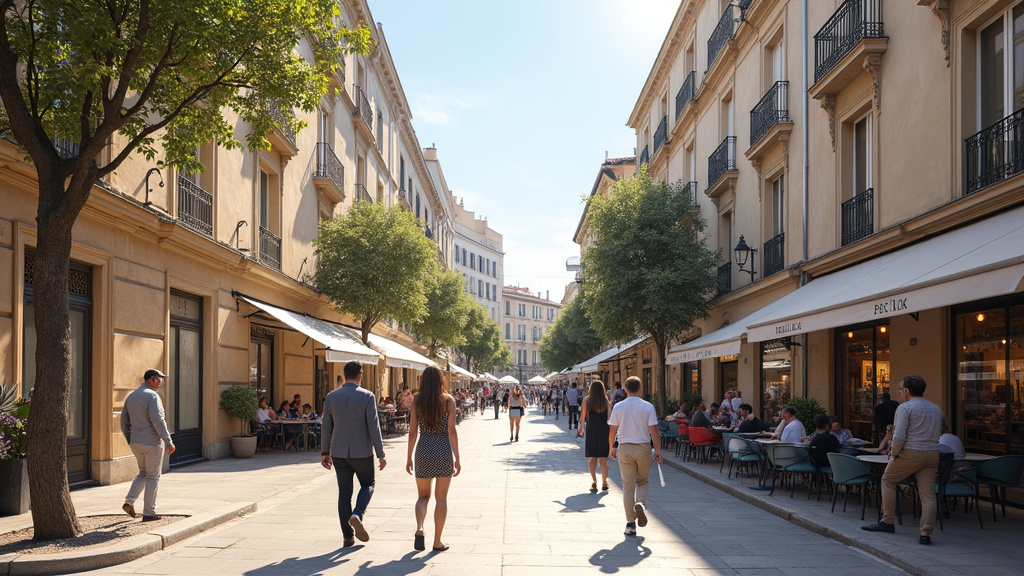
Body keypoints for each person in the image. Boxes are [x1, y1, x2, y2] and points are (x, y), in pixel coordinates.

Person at [862, 375, 942, 545]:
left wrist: (894, 453)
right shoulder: (936, 408)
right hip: (932, 452)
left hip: (911, 452)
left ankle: (887, 521)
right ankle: (926, 532)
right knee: (928, 494)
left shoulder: (905, 408)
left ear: (906, 391)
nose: (899, 392)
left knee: (888, 481)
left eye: (900, 389)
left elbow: (899, 435)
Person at [320, 361, 387, 547]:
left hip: (339, 452)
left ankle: (347, 537)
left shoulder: (331, 397)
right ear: (359, 375)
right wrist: (380, 453)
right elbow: (374, 427)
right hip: (362, 452)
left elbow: (326, 426)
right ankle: (357, 513)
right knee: (368, 484)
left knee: (344, 494)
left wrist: (325, 451)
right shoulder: (367, 396)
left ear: (345, 374)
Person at [406, 366, 460, 553]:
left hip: (423, 450)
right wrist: (457, 457)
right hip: (443, 450)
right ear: (441, 380)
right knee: (441, 498)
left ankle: (420, 528)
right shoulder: (448, 401)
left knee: (423, 496)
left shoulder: (417, 401)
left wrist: (408, 457)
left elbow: (412, 431)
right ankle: (437, 541)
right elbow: (451, 431)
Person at [608, 376, 663, 537]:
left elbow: (612, 429)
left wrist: (611, 446)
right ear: (639, 389)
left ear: (625, 388)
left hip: (624, 448)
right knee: (643, 481)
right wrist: (658, 450)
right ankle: (640, 503)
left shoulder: (619, 406)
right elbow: (654, 430)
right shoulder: (648, 406)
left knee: (628, 487)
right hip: (643, 448)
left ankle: (630, 524)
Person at [121, 369, 176, 521]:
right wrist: (168, 441)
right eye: (160, 379)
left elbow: (123, 421)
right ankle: (149, 513)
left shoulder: (131, 396)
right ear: (152, 380)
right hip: (152, 442)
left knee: (143, 473)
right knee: (153, 477)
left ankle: (129, 501)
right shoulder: (152, 396)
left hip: (136, 442)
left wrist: (130, 439)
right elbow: (158, 420)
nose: (161, 382)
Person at [578, 380, 611, 493]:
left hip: (591, 429)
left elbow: (583, 417)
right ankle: (604, 482)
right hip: (603, 429)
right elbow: (609, 417)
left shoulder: (587, 400)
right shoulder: (606, 400)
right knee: (603, 458)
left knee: (592, 457)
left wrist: (580, 429)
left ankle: (594, 481)